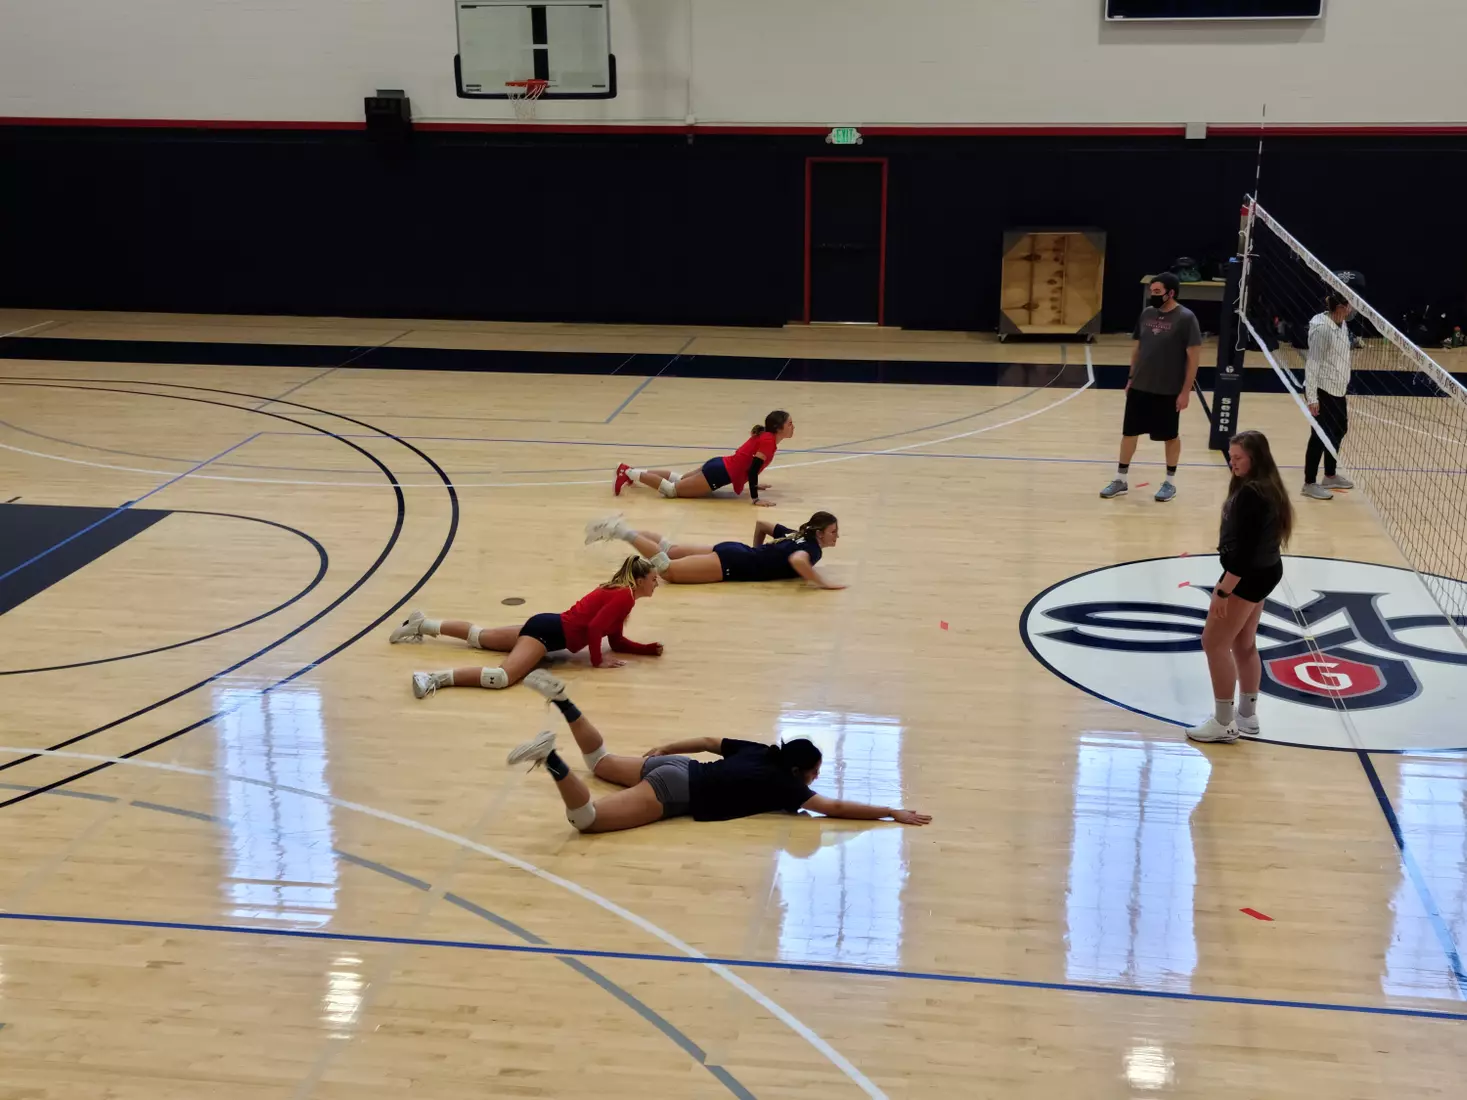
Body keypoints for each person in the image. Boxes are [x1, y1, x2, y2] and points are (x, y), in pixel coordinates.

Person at [507, 669, 933, 833]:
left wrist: (668, 747)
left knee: (600, 763)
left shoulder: (764, 752)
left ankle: (564, 703)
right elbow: (835, 807)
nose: (815, 781)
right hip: (673, 789)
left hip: (679, 764)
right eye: (814, 773)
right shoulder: (785, 785)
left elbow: (711, 743)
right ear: (800, 770)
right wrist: (890, 812)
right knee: (589, 821)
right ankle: (552, 759)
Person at [389, 555, 664, 697]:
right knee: (501, 678)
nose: (656, 584)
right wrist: (596, 662)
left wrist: (648, 650)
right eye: (653, 579)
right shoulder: (623, 597)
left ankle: (422, 624)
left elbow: (614, 640)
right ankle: (431, 678)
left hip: (546, 624)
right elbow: (594, 629)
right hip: (547, 634)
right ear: (640, 581)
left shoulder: (623, 595)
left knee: (479, 636)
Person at [1187, 430, 1295, 744]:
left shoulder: (1252, 494)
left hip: (1248, 575)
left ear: (1255, 458)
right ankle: (1247, 716)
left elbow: (1244, 554)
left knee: (1214, 642)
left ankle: (1224, 722)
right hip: (1267, 571)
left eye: (1238, 458)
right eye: (1231, 457)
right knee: (1244, 643)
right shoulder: (1268, 486)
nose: (1232, 463)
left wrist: (1222, 591)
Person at [1100, 272, 1202, 503]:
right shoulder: (1146, 314)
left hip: (1168, 389)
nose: (1152, 295)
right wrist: (1130, 377)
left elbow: (1194, 358)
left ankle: (1170, 483)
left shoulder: (1186, 318)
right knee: (1129, 433)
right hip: (1140, 386)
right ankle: (1120, 479)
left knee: (1170, 436)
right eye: (1151, 291)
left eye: (1157, 292)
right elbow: (1138, 348)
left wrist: (1185, 391)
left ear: (1171, 293)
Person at [584, 511, 844, 589]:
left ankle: (610, 528)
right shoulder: (812, 549)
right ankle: (620, 531)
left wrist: (757, 553)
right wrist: (822, 582)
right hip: (735, 564)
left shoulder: (798, 534)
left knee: (669, 548)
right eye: (833, 532)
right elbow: (799, 561)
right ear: (819, 533)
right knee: (669, 571)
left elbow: (763, 523)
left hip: (735, 550)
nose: (837, 536)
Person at [613, 410, 794, 507]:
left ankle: (631, 473)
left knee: (680, 479)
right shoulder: (768, 441)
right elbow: (753, 468)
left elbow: (747, 464)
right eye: (790, 424)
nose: (793, 427)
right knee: (671, 491)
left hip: (719, 465)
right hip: (719, 473)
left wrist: (752, 482)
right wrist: (755, 498)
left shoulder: (767, 438)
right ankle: (628, 471)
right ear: (778, 428)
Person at [1302, 291, 1356, 501]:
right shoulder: (1323, 329)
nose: (1351, 309)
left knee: (1339, 429)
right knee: (1319, 436)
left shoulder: (1341, 324)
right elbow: (1312, 363)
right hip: (1322, 389)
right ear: (1340, 308)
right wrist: (1312, 397)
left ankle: (1330, 476)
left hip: (1337, 388)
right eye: (1349, 305)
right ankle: (1309, 483)